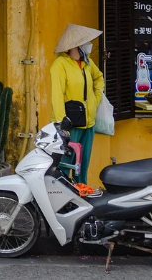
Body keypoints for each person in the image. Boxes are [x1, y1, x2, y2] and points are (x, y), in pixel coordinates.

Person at [50, 23, 105, 185]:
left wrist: (96, 97)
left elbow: (99, 78)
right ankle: (64, 196)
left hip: (89, 122)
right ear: (75, 46)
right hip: (70, 124)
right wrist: (62, 124)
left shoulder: (87, 63)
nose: (88, 46)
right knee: (66, 164)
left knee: (83, 165)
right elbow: (57, 94)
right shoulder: (60, 65)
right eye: (84, 43)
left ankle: (82, 193)